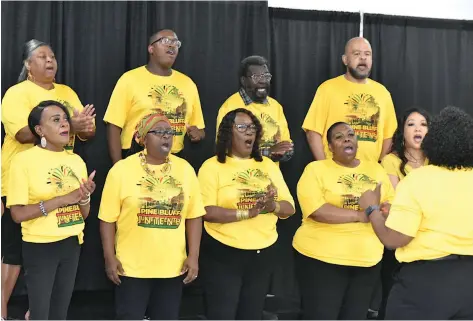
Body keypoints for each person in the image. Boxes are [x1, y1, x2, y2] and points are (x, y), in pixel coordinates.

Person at [1, 39, 95, 320]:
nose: (50, 60)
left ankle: (39, 311)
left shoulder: (67, 92)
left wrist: (84, 127)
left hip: (61, 174)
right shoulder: (17, 93)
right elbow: (20, 133)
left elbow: (84, 133)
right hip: (22, 178)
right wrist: (72, 125)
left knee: (57, 247)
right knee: (14, 250)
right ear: (28, 65)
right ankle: (2, 307)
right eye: (41, 56)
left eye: (52, 56)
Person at [362, 106, 473, 319]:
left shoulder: (418, 179)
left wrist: (371, 209)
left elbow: (394, 239)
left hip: (426, 285)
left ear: (434, 141)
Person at [99, 113, 205, 320]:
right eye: (159, 132)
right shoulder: (121, 170)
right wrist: (109, 257)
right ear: (143, 138)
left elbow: (194, 216)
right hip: (131, 268)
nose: (166, 137)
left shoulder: (185, 170)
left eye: (170, 132)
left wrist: (193, 256)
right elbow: (107, 220)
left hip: (172, 267)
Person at [198, 108, 295, 319]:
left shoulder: (268, 165)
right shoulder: (212, 166)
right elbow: (206, 211)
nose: (249, 132)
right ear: (227, 133)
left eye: (252, 128)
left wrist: (272, 206)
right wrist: (246, 213)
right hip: (224, 253)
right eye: (242, 127)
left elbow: (289, 207)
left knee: (251, 315)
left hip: (262, 253)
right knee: (222, 314)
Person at [293, 121, 394, 320]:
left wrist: (384, 209)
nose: (347, 138)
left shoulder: (375, 169)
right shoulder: (315, 170)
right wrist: (360, 215)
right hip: (321, 259)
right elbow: (316, 210)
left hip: (367, 261)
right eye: (338, 137)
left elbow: (390, 203)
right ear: (329, 147)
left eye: (350, 134)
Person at [104, 29, 205, 164]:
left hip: (174, 158)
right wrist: (118, 166)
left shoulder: (188, 84)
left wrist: (198, 134)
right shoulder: (129, 79)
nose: (172, 45)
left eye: (176, 43)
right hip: (136, 155)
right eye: (165, 41)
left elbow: (199, 128)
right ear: (151, 48)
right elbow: (114, 126)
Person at [368, 107, 430, 319]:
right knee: (394, 298)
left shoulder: (437, 163)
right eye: (411, 124)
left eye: (423, 124)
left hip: (429, 242)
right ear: (402, 132)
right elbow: (395, 203)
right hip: (399, 236)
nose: (417, 129)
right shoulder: (391, 161)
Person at [302, 37, 397, 163]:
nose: (363, 58)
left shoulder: (382, 92)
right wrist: (324, 167)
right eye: (356, 53)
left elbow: (389, 136)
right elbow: (313, 132)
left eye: (367, 54)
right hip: (334, 171)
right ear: (345, 60)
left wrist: (378, 166)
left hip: (371, 173)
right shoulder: (327, 89)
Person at [216, 56, 293, 162]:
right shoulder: (229, 107)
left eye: (266, 76)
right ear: (243, 80)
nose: (263, 81)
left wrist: (283, 152)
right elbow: (225, 149)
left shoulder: (275, 106)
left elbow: (286, 144)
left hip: (269, 175)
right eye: (256, 77)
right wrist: (268, 152)